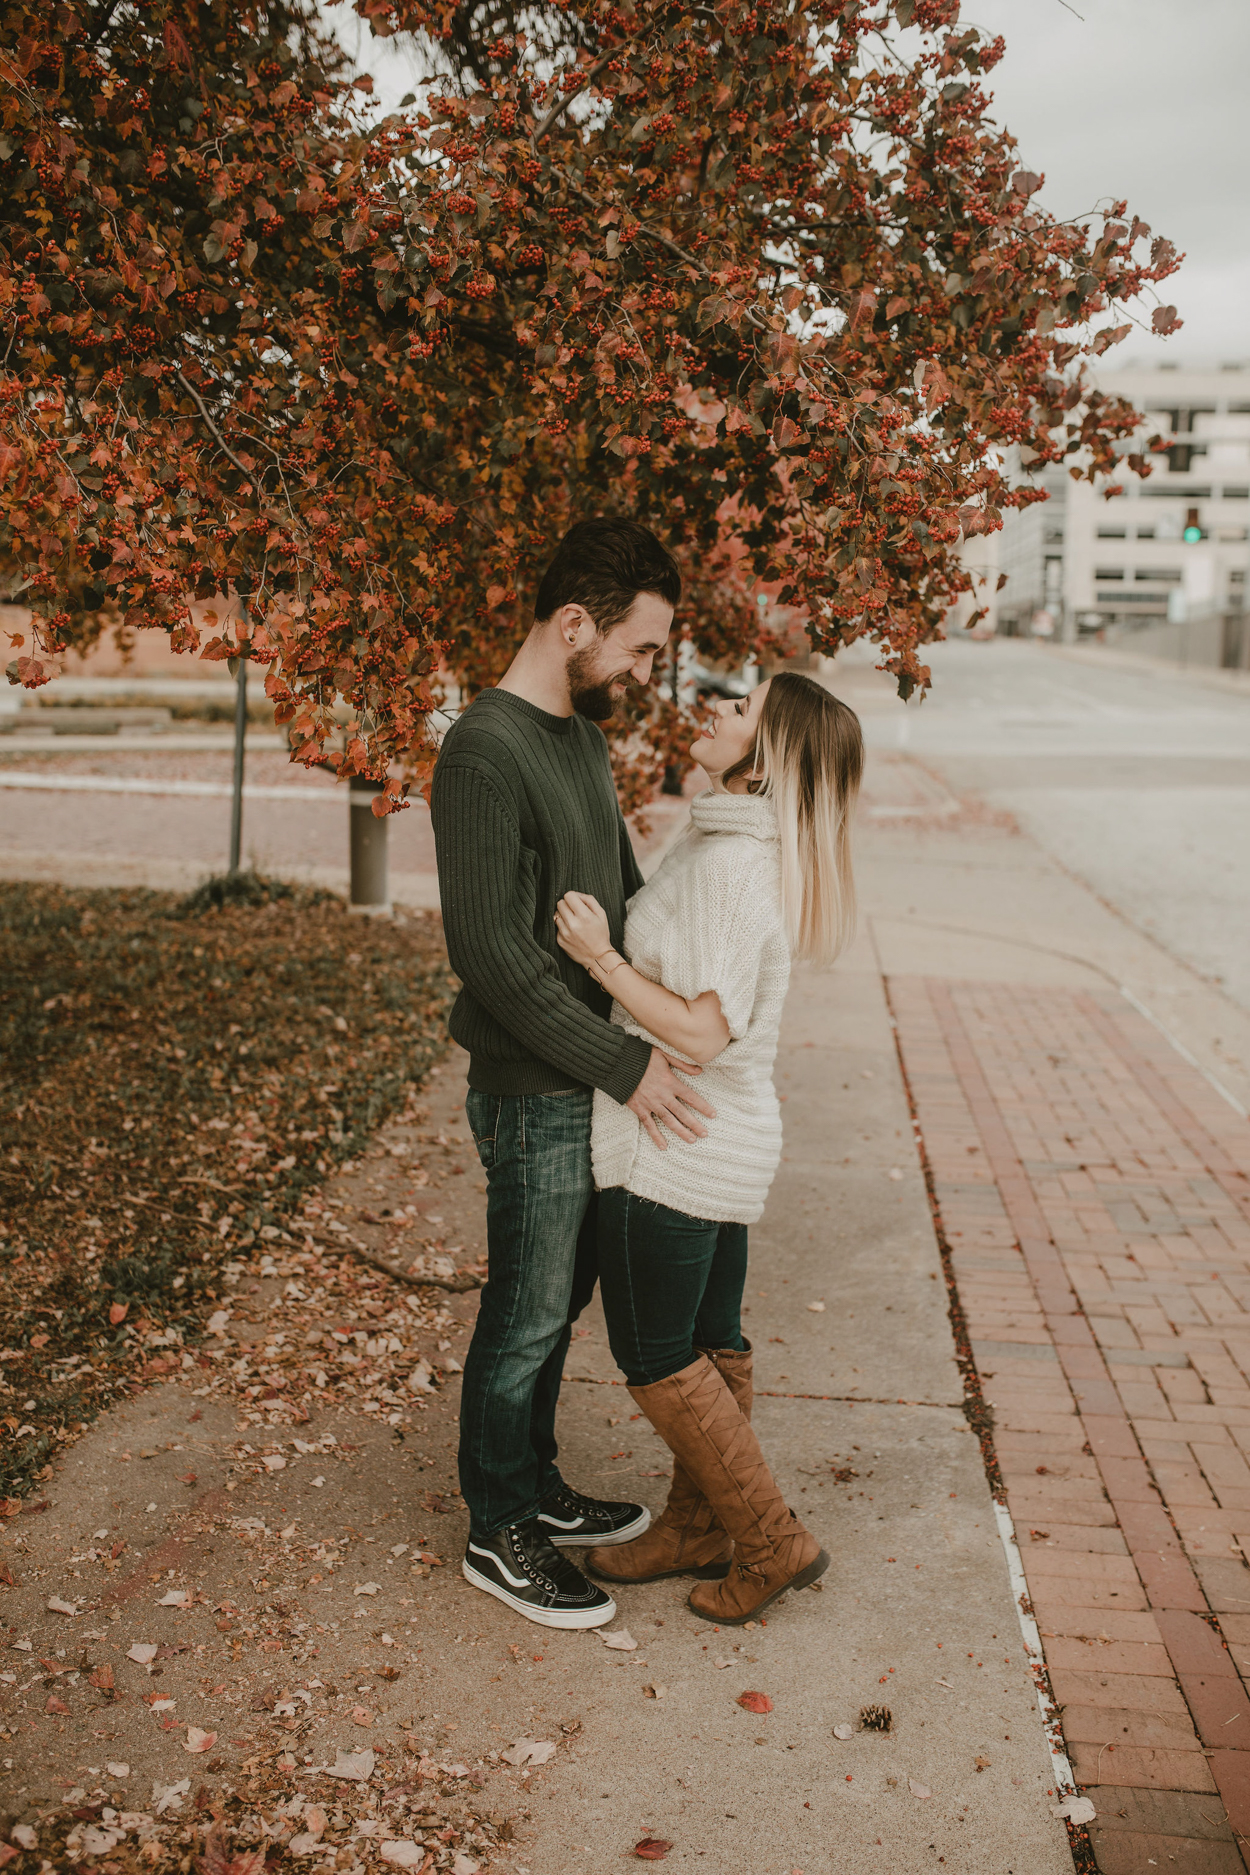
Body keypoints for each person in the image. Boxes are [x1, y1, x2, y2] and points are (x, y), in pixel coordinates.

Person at [430, 517, 715, 1630]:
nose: (647, 674)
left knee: (561, 1299)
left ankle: (533, 1484)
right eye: (640, 651)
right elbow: (493, 957)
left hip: (589, 1083)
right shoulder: (484, 750)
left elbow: (629, 903)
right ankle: (495, 1525)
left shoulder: (581, 743)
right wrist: (627, 1063)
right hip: (531, 1084)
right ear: (572, 623)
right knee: (527, 1304)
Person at [553, 670, 864, 1625]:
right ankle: (696, 1528)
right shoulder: (728, 838)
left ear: (768, 754)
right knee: (711, 1344)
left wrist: (599, 958)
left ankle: (768, 1537)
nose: (718, 709)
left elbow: (700, 1031)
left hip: (676, 1146)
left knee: (654, 1355)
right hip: (717, 1142)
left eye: (741, 709)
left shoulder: (735, 868)